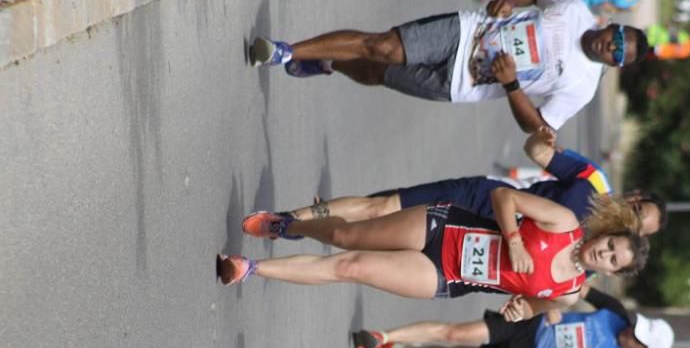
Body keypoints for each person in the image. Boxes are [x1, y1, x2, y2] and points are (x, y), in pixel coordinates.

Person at [218, 189, 648, 317]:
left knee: (351, 266)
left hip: (448, 275)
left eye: (613, 260)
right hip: (446, 229)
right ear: (605, 233)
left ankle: (251, 268)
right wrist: (514, 240)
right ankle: (288, 225)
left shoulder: (570, 292)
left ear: (612, 272)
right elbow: (502, 197)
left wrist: (518, 312)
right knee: (349, 237)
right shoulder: (564, 224)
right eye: (610, 245)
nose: (604, 254)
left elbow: (529, 306)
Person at [249, 0, 649, 133]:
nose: (608, 46)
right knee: (383, 47)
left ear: (615, 65)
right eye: (616, 38)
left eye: (617, 53)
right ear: (610, 25)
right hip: (465, 32)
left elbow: (539, 126)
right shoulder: (575, 8)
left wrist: (511, 86)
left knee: (377, 72)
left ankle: (329, 61)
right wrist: (509, 2)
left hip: (462, 84)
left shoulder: (582, 87)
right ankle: (286, 51)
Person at [246, 127, 666, 237]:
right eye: (637, 211)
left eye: (636, 227)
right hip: (481, 199)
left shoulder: (597, 253)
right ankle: (287, 221)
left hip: (470, 244)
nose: (630, 219)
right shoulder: (592, 180)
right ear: (634, 197)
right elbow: (537, 154)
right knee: (383, 207)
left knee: (363, 238)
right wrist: (541, 143)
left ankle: (314, 225)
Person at [350, 286, 675, 348]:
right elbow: (579, 286)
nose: (631, 330)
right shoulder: (616, 311)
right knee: (457, 332)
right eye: (638, 325)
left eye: (639, 338)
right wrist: (553, 304)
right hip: (530, 324)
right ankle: (382, 336)